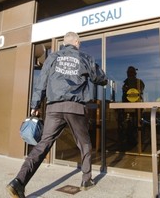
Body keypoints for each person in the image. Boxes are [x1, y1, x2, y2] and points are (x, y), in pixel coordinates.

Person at [6, 32, 108, 198]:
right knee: (85, 144)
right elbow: (98, 77)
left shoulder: (53, 57)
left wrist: (35, 105)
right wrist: (105, 81)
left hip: (54, 108)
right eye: (79, 42)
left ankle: (19, 181)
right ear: (76, 42)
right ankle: (86, 179)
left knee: (43, 144)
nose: (79, 44)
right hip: (75, 107)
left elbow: (42, 81)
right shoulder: (84, 57)